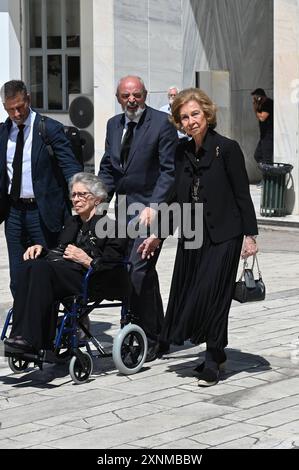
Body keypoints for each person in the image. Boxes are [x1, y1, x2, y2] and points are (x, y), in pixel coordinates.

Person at [138, 88, 258, 385]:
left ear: (207, 114)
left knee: (214, 295)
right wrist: (157, 235)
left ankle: (213, 358)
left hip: (225, 236)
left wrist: (250, 236)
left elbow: (243, 195)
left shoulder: (226, 148)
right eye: (184, 117)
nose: (191, 121)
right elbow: (175, 200)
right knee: (190, 294)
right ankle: (214, 352)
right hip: (193, 236)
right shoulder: (181, 152)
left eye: (195, 114)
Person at [99, 75, 178, 360]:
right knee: (139, 271)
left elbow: (169, 171)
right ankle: (158, 332)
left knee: (137, 269)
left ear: (145, 95)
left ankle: (145, 333)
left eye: (137, 95)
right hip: (123, 211)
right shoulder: (113, 125)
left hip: (154, 211)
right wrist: (96, 201)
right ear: (118, 98)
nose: (131, 100)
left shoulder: (162, 124)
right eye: (125, 96)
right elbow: (108, 166)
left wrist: (155, 206)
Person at [4, 173, 128, 353]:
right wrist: (42, 250)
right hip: (65, 275)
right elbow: (60, 251)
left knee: (41, 270)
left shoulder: (113, 227)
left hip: (92, 281)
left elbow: (112, 263)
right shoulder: (72, 223)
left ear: (97, 200)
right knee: (30, 265)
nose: (76, 199)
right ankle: (20, 336)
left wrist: (86, 259)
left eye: (82, 195)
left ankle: (32, 340)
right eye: (74, 195)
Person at [0, 80, 82, 296]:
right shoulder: (3, 132)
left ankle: (53, 326)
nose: (16, 113)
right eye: (10, 109)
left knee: (47, 271)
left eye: (20, 107)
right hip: (14, 213)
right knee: (18, 277)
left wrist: (80, 195)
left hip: (43, 212)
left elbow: (69, 166)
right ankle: (23, 327)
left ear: (28, 99)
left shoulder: (49, 129)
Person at [251, 87, 273, 166]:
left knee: (267, 159)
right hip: (264, 135)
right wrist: (255, 106)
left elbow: (262, 118)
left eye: (256, 97)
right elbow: (259, 117)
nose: (255, 99)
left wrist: (256, 109)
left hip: (269, 135)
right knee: (257, 155)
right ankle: (266, 170)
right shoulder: (262, 105)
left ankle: (269, 177)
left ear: (261, 97)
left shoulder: (268, 103)